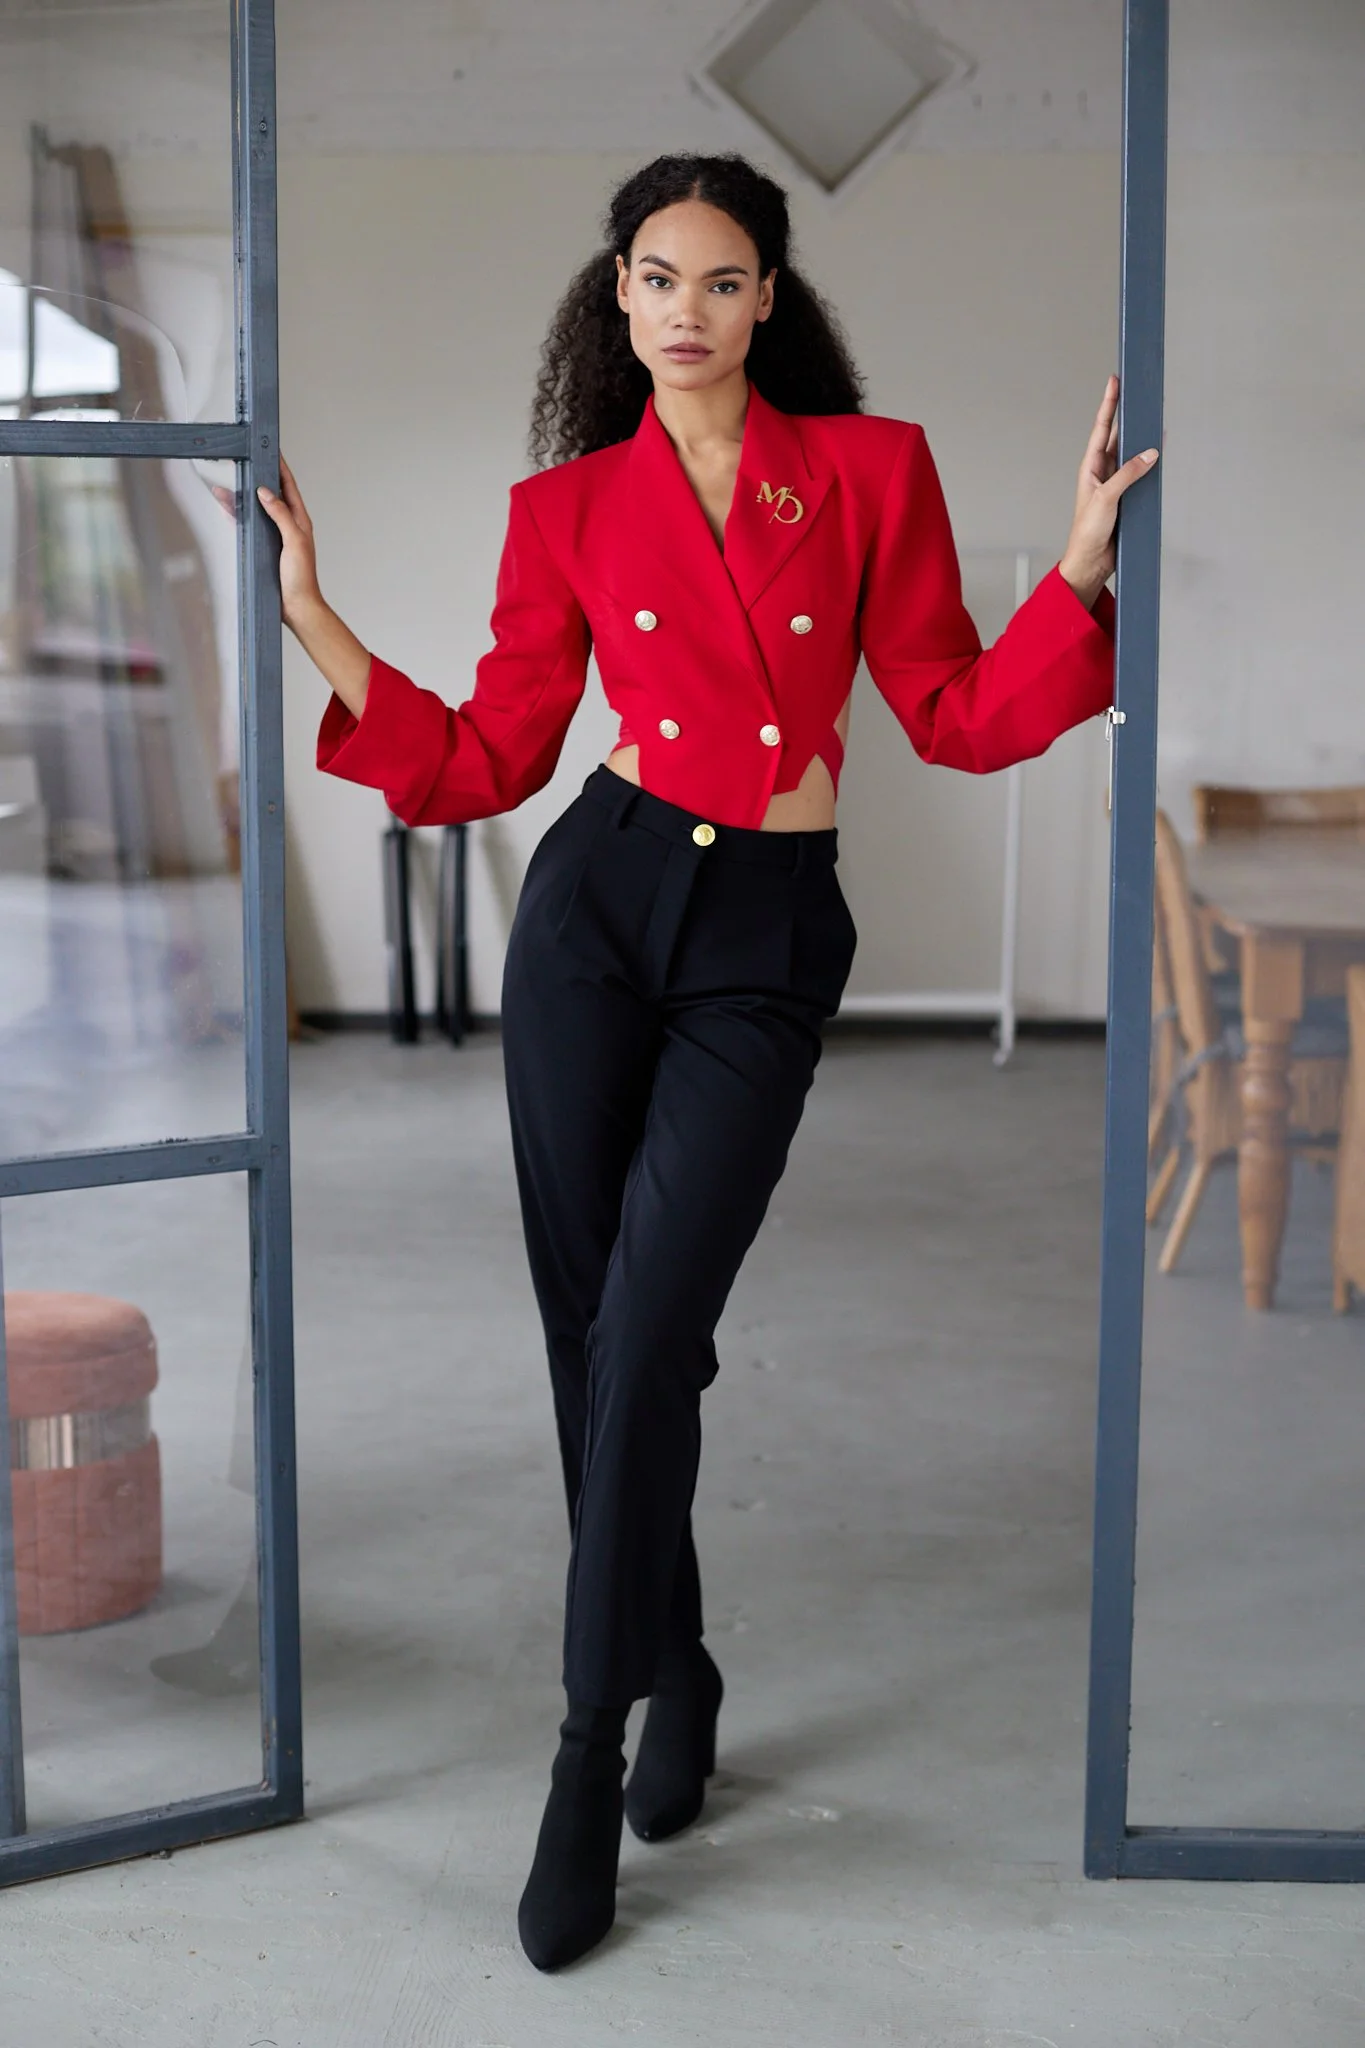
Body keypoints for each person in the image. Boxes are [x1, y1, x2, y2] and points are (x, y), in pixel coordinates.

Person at [259, 152, 1155, 1973]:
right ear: (618, 295)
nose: (686, 307)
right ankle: (672, 1665)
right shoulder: (567, 505)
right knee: (587, 1330)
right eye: (656, 276)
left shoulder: (870, 473)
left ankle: (584, 1750)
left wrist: (1072, 574)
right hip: (593, 913)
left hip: (762, 937)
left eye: (723, 279)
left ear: (769, 298)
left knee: (655, 1326)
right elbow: (504, 751)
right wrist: (316, 619)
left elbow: (961, 714)